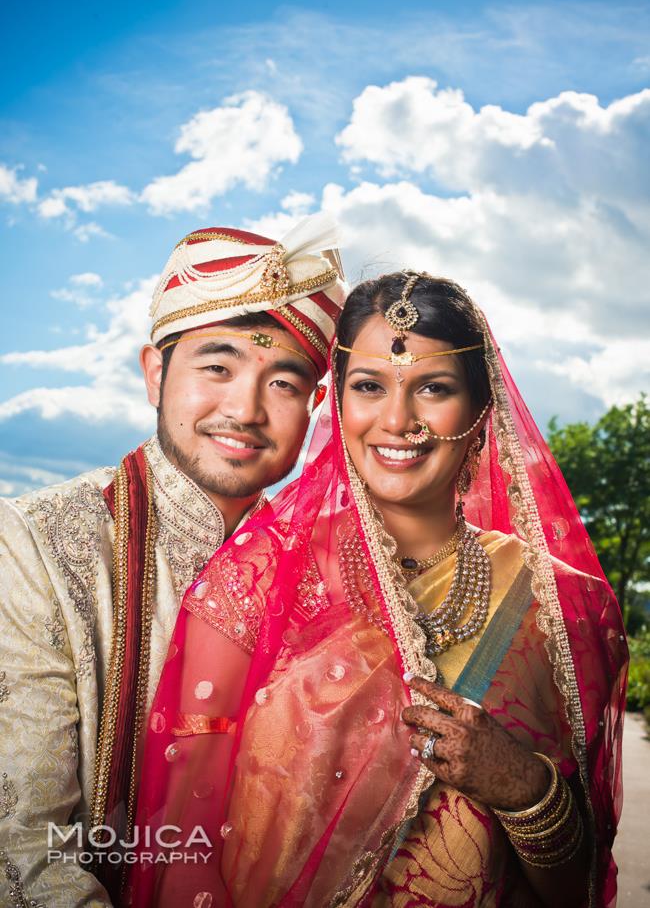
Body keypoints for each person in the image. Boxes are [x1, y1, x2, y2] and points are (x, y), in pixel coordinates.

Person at [127, 271, 627, 908]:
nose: (397, 420)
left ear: (480, 410)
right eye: (369, 387)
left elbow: (580, 889)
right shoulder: (252, 578)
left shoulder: (566, 607)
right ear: (337, 402)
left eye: (434, 389)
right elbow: (180, 848)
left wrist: (526, 787)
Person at [0, 213, 347, 907]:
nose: (245, 409)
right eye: (216, 367)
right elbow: (25, 853)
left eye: (283, 383)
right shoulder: (35, 540)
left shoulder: (331, 573)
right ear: (155, 371)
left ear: (314, 405)